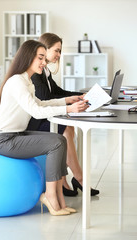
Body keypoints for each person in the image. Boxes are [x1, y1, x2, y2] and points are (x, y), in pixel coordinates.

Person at [0, 40, 89, 216]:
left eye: (44, 57)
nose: (44, 62)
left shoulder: (27, 81)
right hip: (3, 139)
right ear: (28, 58)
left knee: (59, 139)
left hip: (15, 134)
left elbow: (40, 103)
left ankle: (58, 195)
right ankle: (50, 196)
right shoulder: (17, 81)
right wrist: (68, 109)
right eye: (40, 58)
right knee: (56, 143)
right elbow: (36, 111)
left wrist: (66, 100)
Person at [27, 33, 100, 197]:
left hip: (44, 114)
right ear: (44, 49)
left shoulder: (45, 71)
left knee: (68, 127)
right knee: (66, 127)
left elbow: (57, 92)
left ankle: (66, 179)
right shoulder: (36, 73)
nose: (59, 55)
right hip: (35, 122)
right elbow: (45, 98)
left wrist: (80, 95)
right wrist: (69, 102)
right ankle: (79, 178)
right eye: (57, 50)